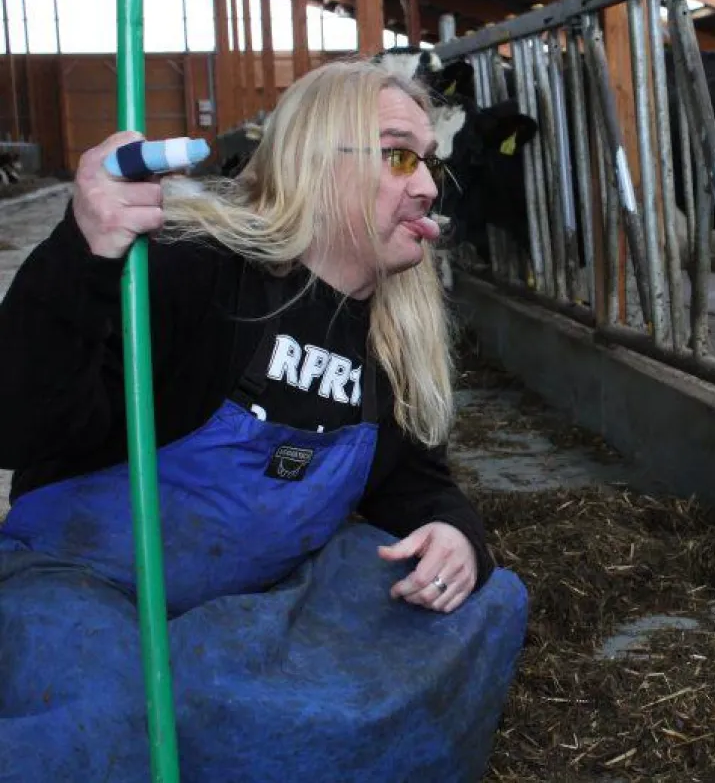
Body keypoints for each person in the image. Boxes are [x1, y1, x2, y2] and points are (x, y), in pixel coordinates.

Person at [0, 58, 528, 782]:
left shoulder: (391, 337)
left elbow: (415, 482)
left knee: (487, 603)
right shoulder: (193, 269)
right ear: (316, 160)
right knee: (98, 717)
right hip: (84, 577)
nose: (431, 188)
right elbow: (18, 423)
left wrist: (453, 532)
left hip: (256, 598)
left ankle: (214, 710)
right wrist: (81, 252)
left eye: (430, 163)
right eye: (400, 156)